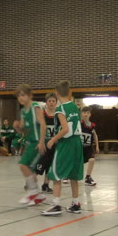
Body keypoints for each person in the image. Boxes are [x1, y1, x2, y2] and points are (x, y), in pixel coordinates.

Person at [42, 80, 84, 215]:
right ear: (69, 92)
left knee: (56, 173)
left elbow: (65, 129)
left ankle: (56, 205)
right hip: (77, 142)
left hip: (66, 143)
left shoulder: (61, 109)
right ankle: (76, 203)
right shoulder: (75, 106)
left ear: (56, 93)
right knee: (73, 175)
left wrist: (53, 139)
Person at [13, 84, 47, 206]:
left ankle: (33, 192)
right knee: (31, 172)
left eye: (23, 95)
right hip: (29, 142)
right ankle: (39, 195)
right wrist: (17, 127)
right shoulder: (23, 111)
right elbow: (23, 130)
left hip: (37, 142)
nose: (20, 98)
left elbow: (43, 124)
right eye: (18, 96)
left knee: (23, 165)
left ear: (30, 95)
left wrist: (42, 142)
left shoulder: (35, 107)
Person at [36, 93, 58, 194]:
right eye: (49, 101)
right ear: (46, 102)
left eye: (53, 101)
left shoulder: (59, 115)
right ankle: (31, 183)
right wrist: (40, 142)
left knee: (50, 165)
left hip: (54, 144)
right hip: (43, 143)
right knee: (39, 165)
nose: (51, 103)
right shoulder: (42, 114)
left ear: (56, 102)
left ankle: (45, 184)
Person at [80, 106, 99, 186]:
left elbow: (95, 135)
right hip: (79, 147)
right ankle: (67, 175)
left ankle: (88, 177)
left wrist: (97, 146)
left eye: (88, 113)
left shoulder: (92, 125)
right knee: (76, 163)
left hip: (88, 147)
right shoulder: (79, 124)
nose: (86, 114)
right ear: (81, 114)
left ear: (90, 114)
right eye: (84, 112)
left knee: (92, 160)